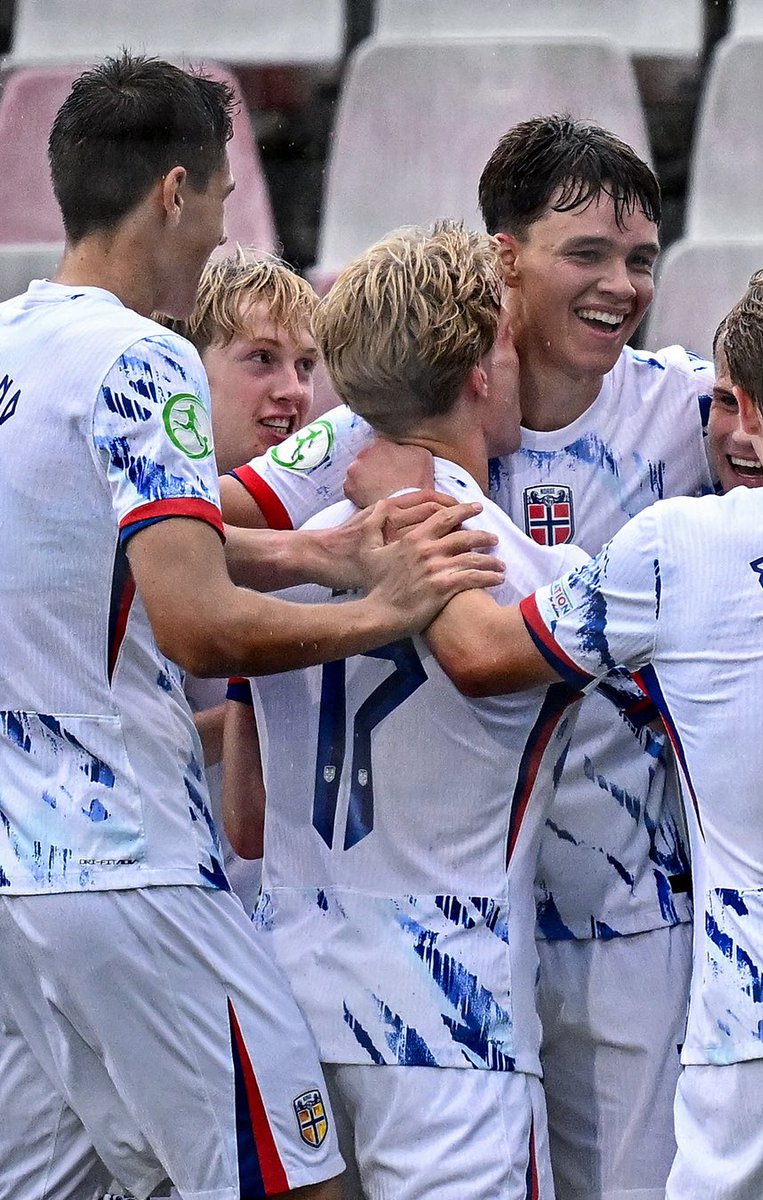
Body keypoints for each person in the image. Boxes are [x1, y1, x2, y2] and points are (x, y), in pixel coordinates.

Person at [0, 54, 502, 1200]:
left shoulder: (12, 350)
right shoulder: (143, 359)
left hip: (20, 884)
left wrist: (308, 553)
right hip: (137, 873)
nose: (222, 232)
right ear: (175, 192)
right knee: (298, 1182)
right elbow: (196, 625)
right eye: (223, 202)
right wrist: (378, 608)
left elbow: (89, 557)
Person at [219, 116, 710, 1198]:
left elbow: (172, 541)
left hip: (555, 927)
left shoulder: (685, 404)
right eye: (585, 253)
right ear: (499, 283)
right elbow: (490, 650)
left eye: (640, 259)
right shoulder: (504, 553)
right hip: (459, 990)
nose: (621, 285)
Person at [423, 263, 763, 1200]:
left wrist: (417, 486)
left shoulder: (677, 549)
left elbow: (480, 654)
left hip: (754, 1039)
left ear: (742, 407)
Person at [221, 220, 588, 1199]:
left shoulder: (282, 564)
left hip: (291, 988)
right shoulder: (536, 576)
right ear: (480, 369)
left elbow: (246, 811)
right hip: (451, 1016)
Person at [164, 247, 325, 910]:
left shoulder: (328, 521)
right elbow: (122, 736)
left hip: (281, 909)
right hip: (162, 893)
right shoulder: (126, 531)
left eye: (306, 365)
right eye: (262, 359)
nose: (293, 390)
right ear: (183, 371)